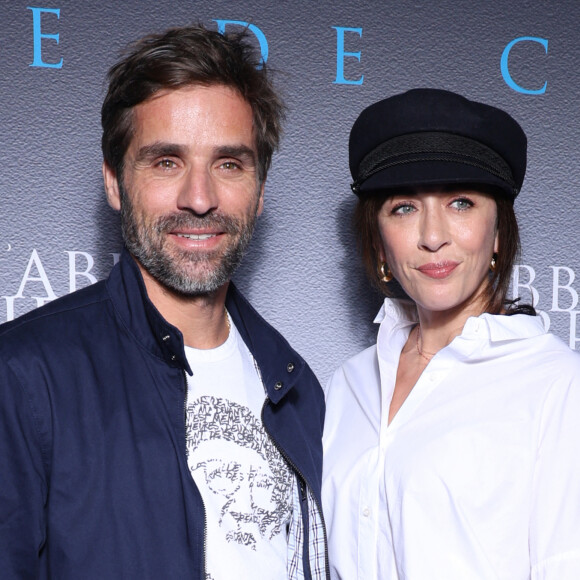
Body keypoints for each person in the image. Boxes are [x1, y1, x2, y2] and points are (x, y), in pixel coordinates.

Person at [0, 25, 327, 580]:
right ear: (114, 182)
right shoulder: (24, 375)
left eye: (228, 164)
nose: (199, 199)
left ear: (260, 190)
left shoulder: (297, 388)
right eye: (165, 162)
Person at [322, 88, 580, 579]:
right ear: (378, 241)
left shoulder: (558, 386)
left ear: (498, 232)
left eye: (461, 203)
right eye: (403, 207)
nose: (433, 234)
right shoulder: (346, 387)